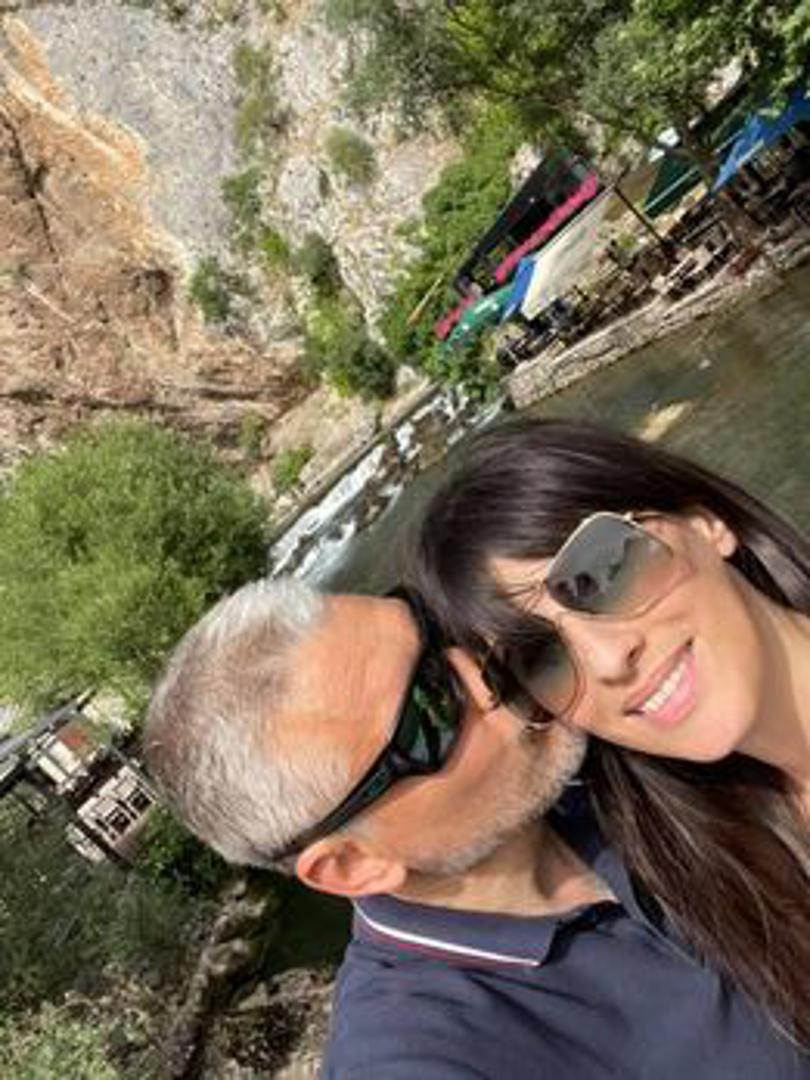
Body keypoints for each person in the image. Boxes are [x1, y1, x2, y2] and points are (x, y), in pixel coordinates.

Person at [144, 578, 809, 1077]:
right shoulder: (429, 1056)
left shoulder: (597, 747)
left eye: (435, 630)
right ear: (353, 865)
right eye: (433, 707)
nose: (487, 674)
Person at [410, 416, 810, 1047]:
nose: (605, 660)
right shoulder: (719, 882)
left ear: (706, 522)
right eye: (541, 658)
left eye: (603, 571)